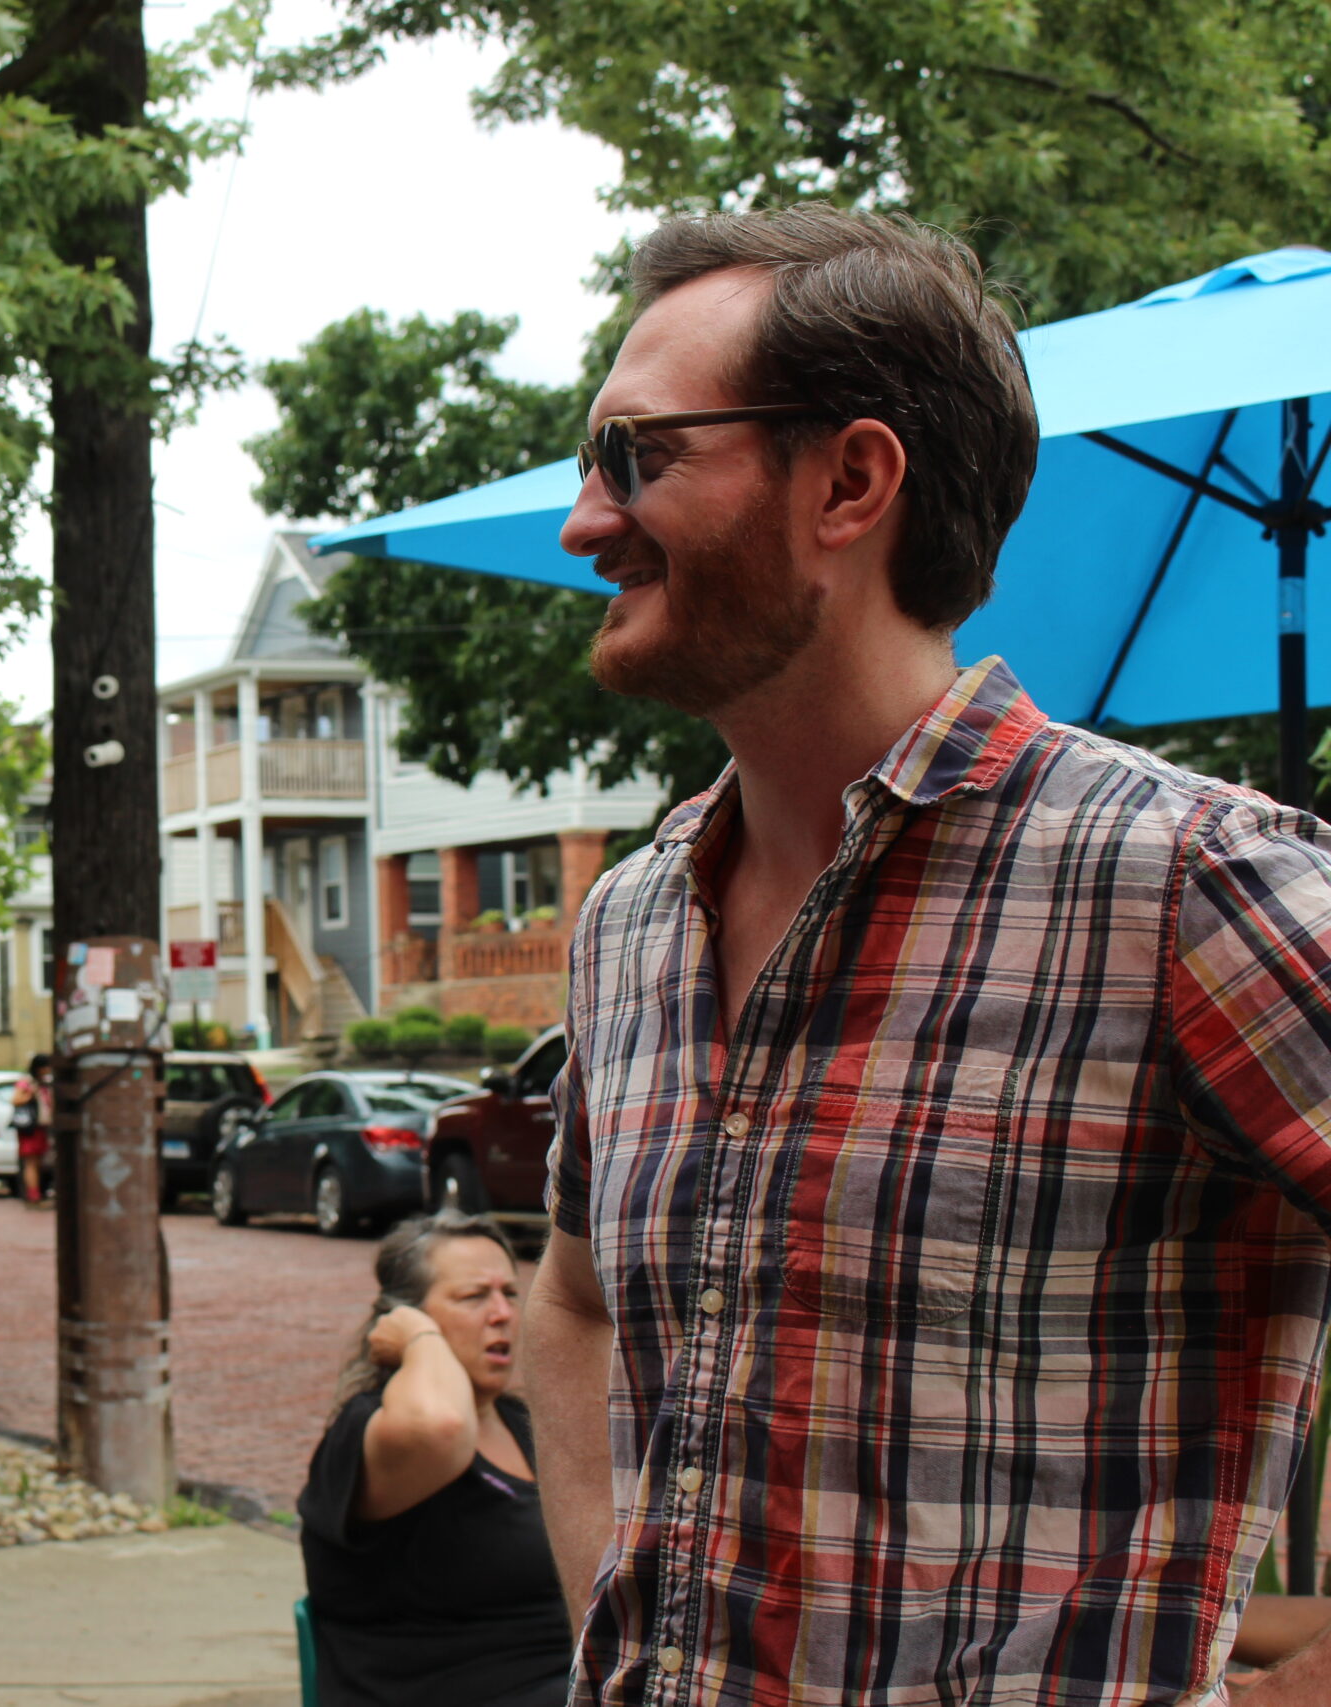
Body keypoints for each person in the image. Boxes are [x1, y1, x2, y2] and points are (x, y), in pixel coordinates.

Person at [525, 203, 1331, 1705]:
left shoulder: (1180, 877)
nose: (583, 521)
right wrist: (610, 1634)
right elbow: (569, 1304)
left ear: (850, 480)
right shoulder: (629, 923)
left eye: (637, 455)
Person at [297, 1212, 571, 1707]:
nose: (502, 1313)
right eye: (473, 1296)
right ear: (405, 1316)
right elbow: (439, 1427)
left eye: (509, 1293)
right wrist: (419, 1339)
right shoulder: (372, 1428)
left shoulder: (520, 1423)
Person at [11, 1051, 54, 1205]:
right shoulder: (27, 1083)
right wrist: (31, 1093)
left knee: (40, 1161)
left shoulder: (46, 1082)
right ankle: (33, 1194)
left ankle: (38, 1191)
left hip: (42, 1125)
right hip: (29, 1126)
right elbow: (15, 1100)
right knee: (31, 1161)